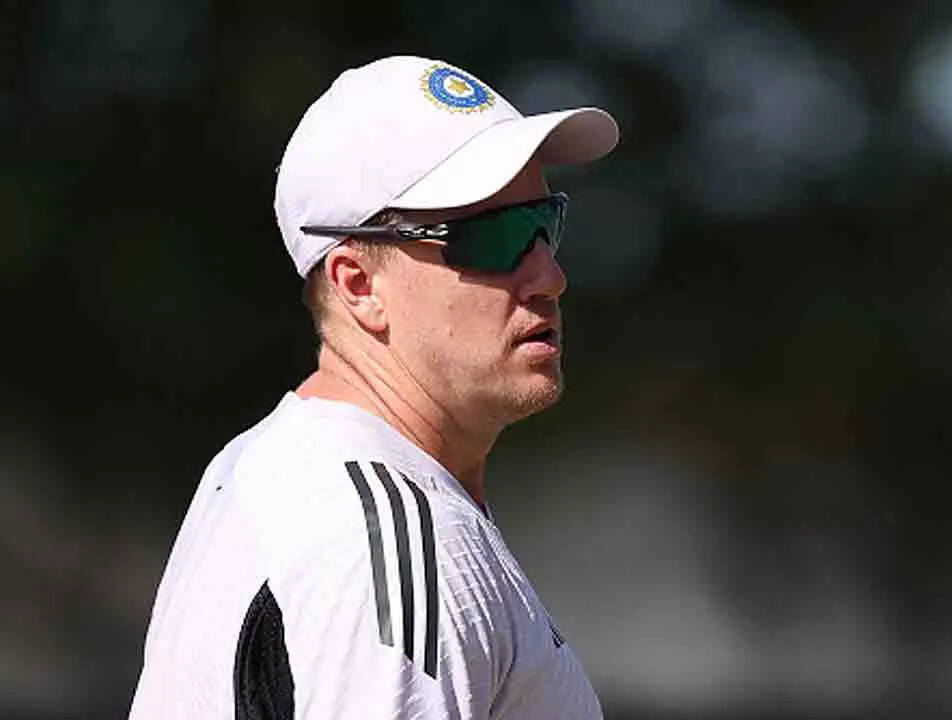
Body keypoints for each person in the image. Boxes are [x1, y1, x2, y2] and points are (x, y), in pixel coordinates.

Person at [129, 56, 619, 719]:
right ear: (360, 286)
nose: (549, 277)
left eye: (543, 224)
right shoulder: (400, 539)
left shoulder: (263, 467)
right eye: (494, 237)